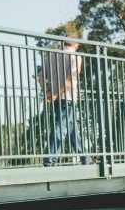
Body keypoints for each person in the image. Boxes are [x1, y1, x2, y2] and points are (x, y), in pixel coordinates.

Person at [37, 36, 90, 166]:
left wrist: (49, 92)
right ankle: (50, 159)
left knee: (72, 129)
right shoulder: (75, 57)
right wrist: (56, 93)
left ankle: (86, 158)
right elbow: (70, 80)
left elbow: (40, 77)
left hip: (56, 98)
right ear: (76, 45)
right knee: (59, 127)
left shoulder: (51, 56)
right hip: (69, 97)